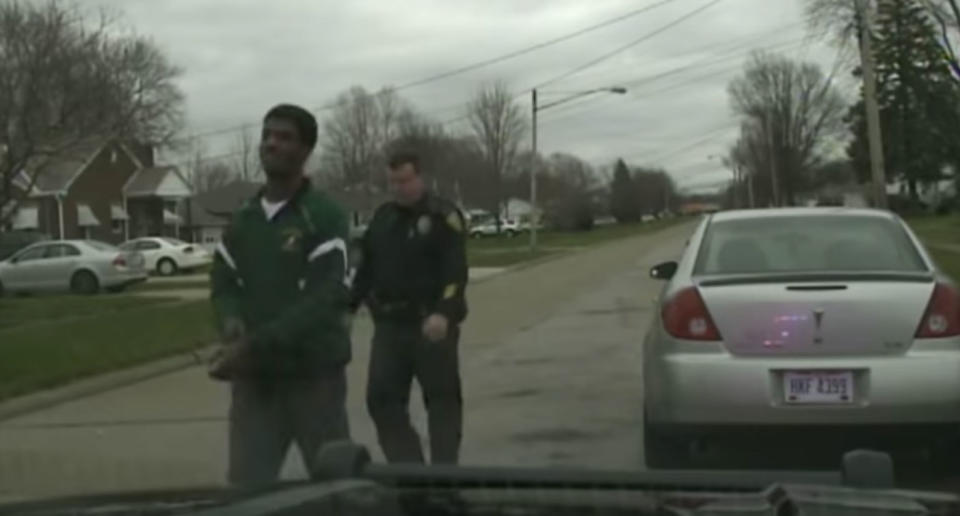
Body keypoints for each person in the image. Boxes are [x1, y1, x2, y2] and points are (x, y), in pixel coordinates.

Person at [208, 103, 352, 487]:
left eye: (284, 137)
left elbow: (327, 297)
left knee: (336, 486)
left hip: (314, 378)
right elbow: (223, 283)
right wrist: (231, 321)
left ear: (304, 152)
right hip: (256, 382)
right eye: (267, 135)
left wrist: (256, 344)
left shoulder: (323, 216)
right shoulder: (243, 219)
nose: (271, 144)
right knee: (246, 488)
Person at [351, 149, 468, 464]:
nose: (399, 188)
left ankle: (444, 478)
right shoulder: (383, 218)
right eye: (393, 182)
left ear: (420, 177)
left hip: (432, 326)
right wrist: (346, 307)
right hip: (390, 327)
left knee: (442, 403)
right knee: (382, 402)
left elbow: (456, 272)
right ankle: (410, 473)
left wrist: (444, 312)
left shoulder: (443, 216)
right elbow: (366, 272)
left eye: (405, 180)